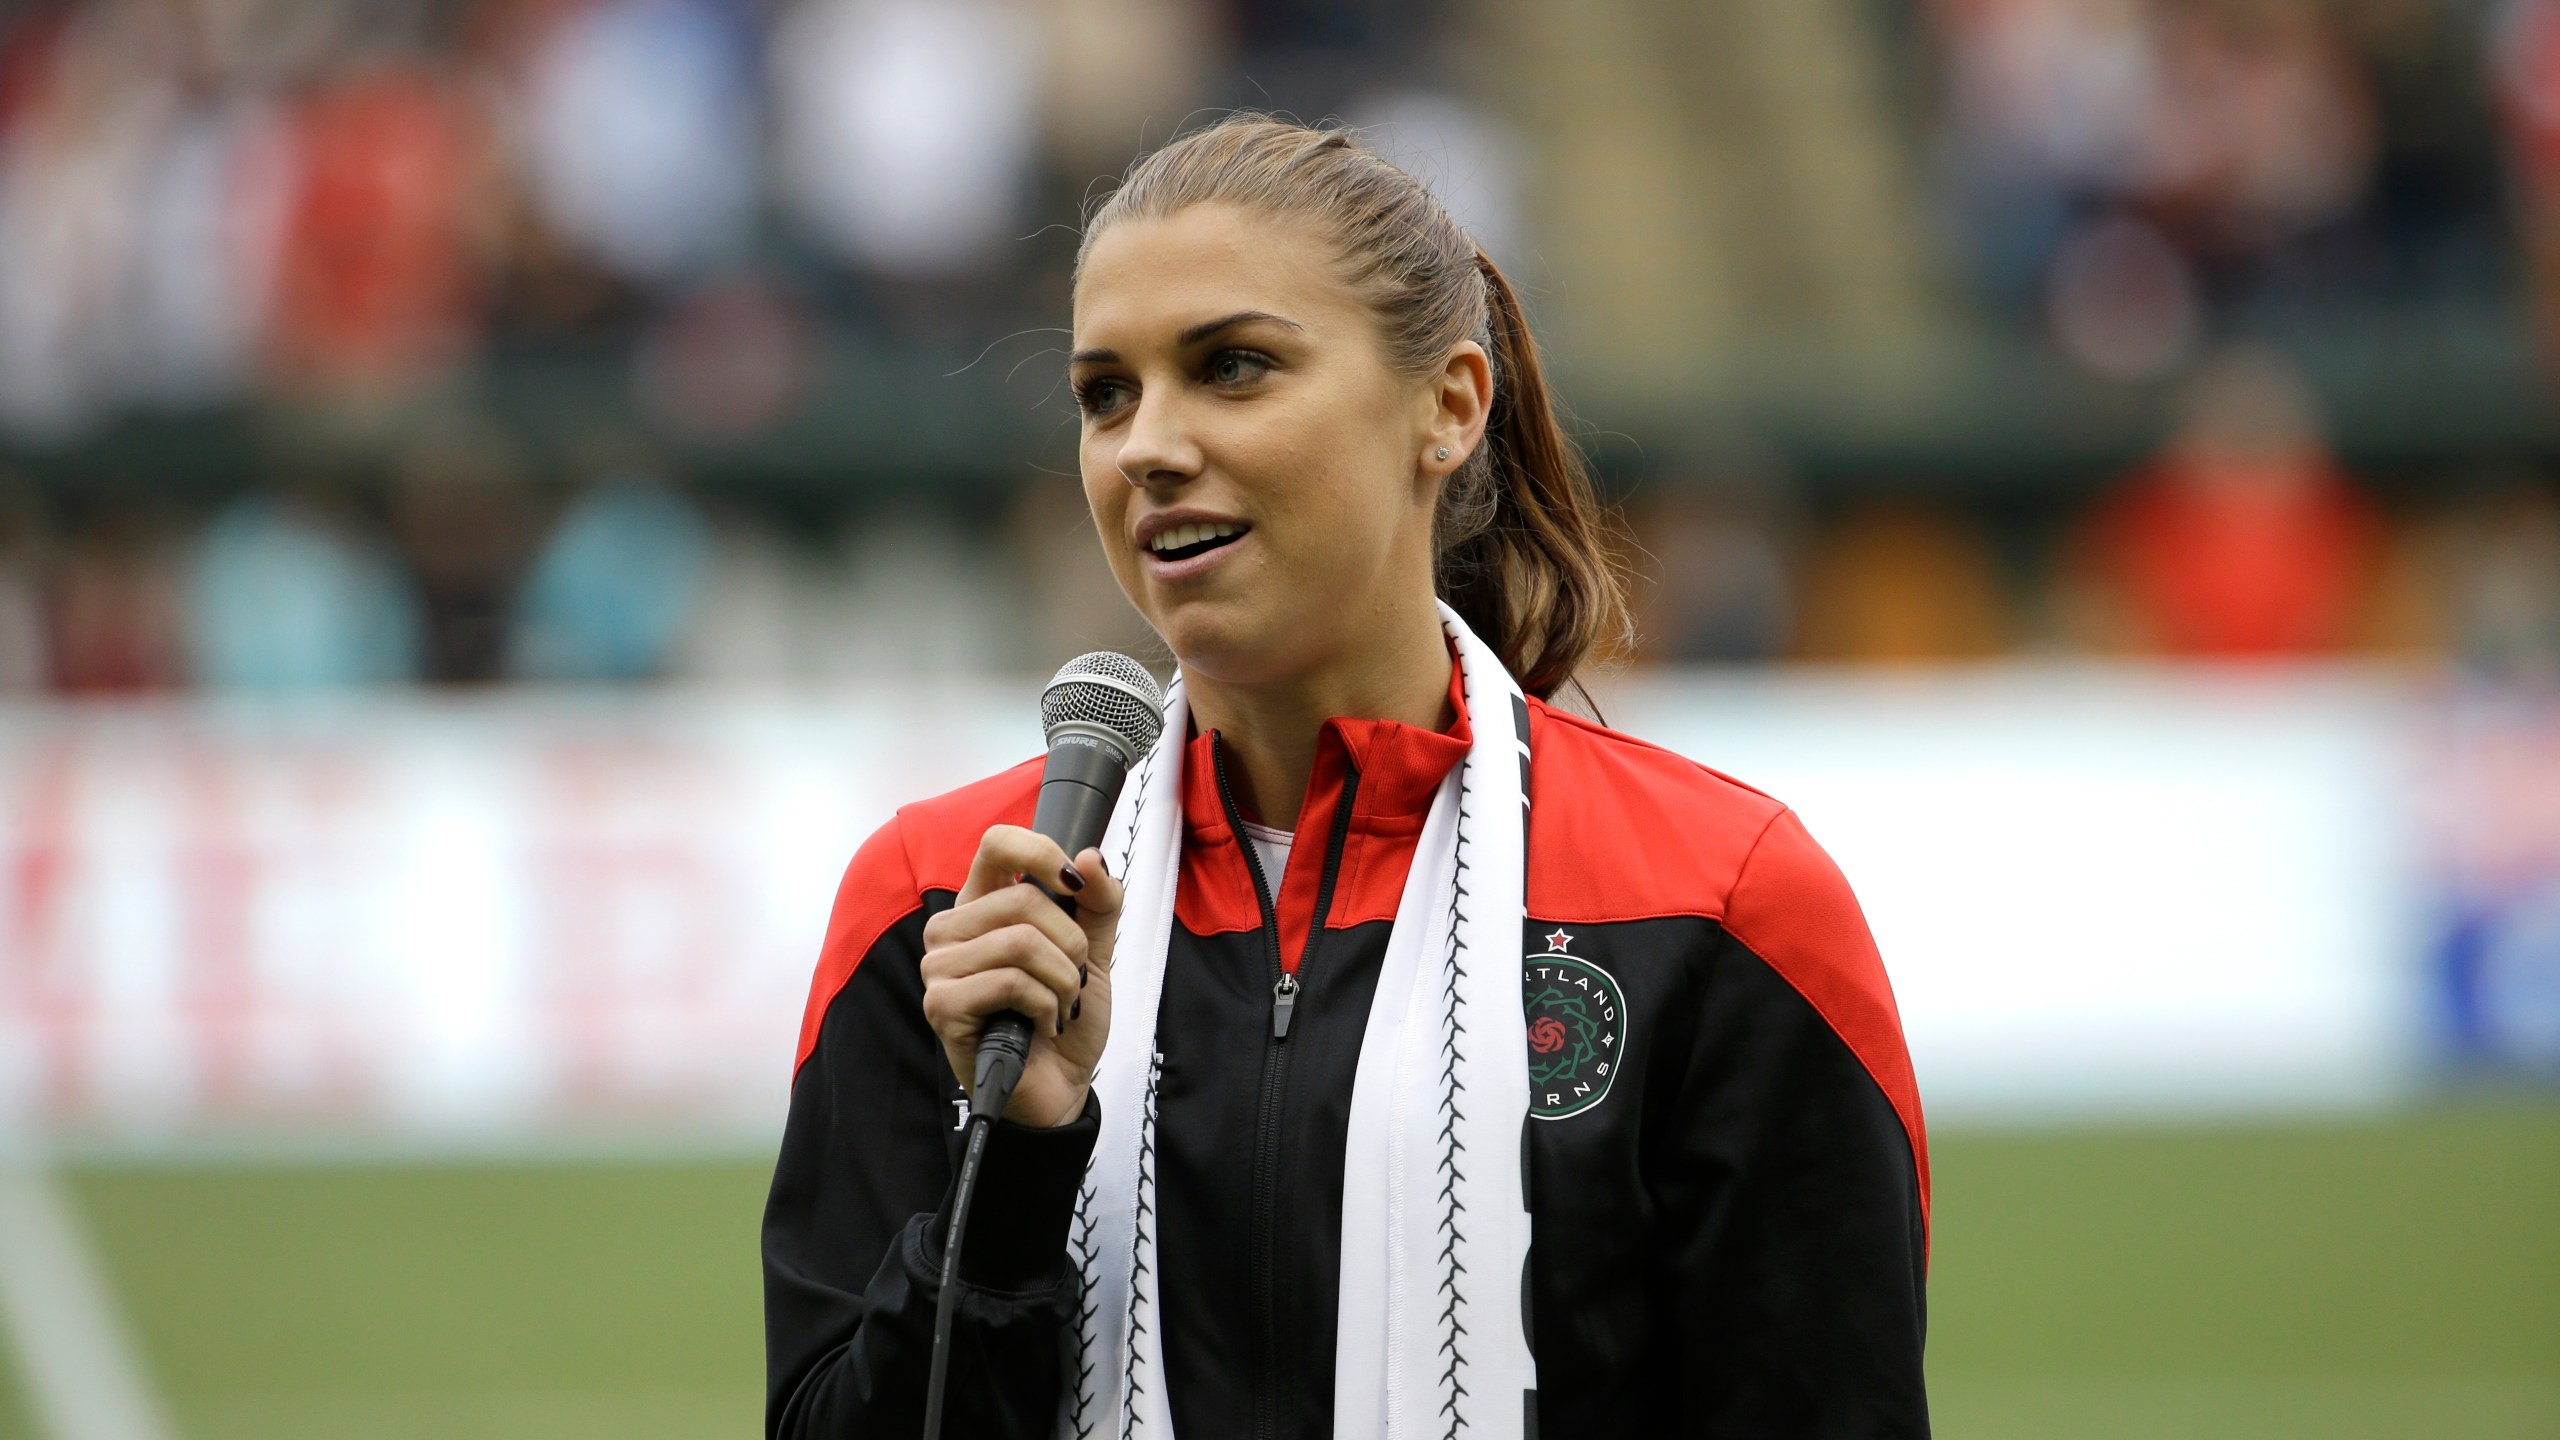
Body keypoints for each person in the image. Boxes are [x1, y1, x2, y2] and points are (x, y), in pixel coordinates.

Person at [763, 116, 1930, 1439]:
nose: (1148, 442)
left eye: (1233, 368)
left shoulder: (1718, 901)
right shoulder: (945, 906)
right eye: (1106, 393)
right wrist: (1017, 1162)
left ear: (1448, 405)